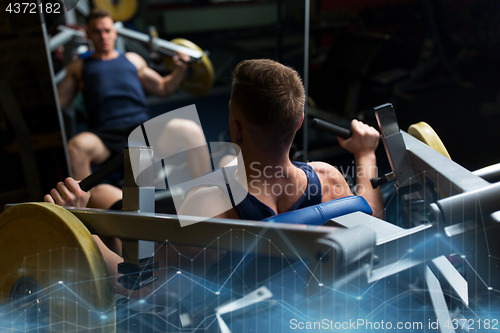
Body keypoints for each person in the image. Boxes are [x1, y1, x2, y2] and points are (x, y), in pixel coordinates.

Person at [44, 58, 383, 297]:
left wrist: (77, 222)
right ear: (297, 124)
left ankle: (100, 213)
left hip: (223, 302)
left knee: (103, 197)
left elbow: (139, 287)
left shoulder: (207, 209)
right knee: (121, 194)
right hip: (297, 299)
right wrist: (365, 154)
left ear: (235, 127)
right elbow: (374, 221)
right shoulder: (330, 181)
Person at [58, 8, 211, 209]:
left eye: (107, 30)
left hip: (143, 129)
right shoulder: (79, 67)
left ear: (114, 32)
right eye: (97, 32)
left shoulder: (132, 60)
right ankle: (88, 216)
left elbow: (164, 88)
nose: (103, 36)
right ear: (88, 34)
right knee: (76, 147)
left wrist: (180, 70)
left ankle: (208, 197)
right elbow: (58, 102)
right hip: (105, 135)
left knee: (190, 129)